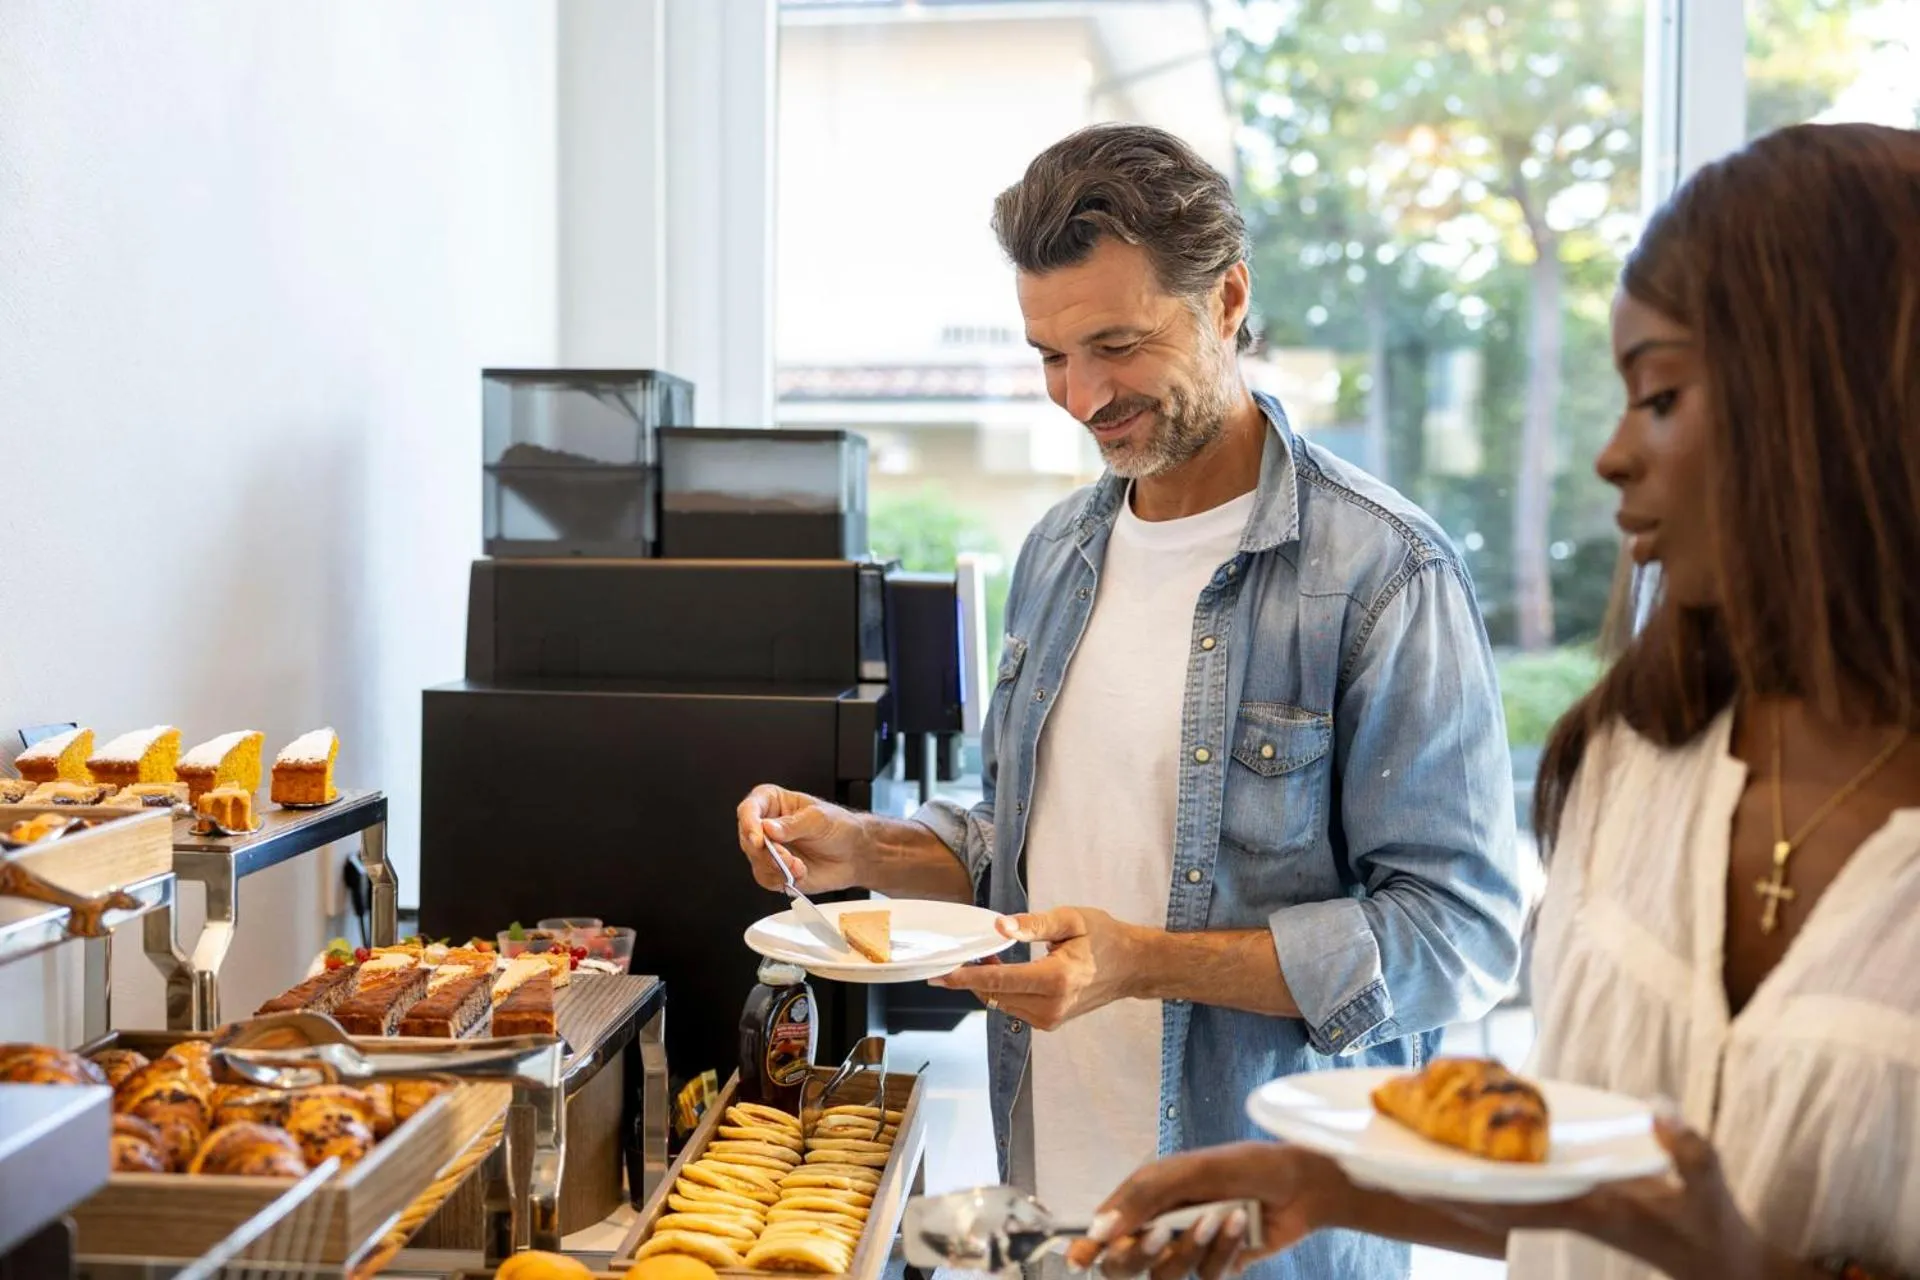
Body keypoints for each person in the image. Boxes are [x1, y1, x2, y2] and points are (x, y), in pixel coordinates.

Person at [1071, 121, 1920, 1280]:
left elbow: (1448, 933)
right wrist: (1321, 1180)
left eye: (1661, 394)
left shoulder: (1385, 568)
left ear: (1847, 408)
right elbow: (1573, 1198)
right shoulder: (1630, 759)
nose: (1612, 455)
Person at [735, 124, 1525, 1280]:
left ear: (1226, 298)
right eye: (1051, 354)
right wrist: (865, 846)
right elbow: (1040, 843)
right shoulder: (1059, 550)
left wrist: (1142, 961)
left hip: (1258, 1243)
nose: (1082, 396)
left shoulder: (1383, 573)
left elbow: (1457, 935)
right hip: (1057, 1214)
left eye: (1116, 344)